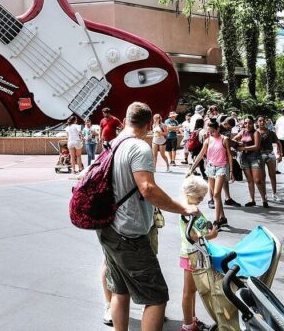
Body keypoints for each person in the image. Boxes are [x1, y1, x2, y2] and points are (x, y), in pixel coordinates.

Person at [96, 102, 199, 331]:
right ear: (148, 123)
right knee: (156, 297)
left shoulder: (113, 144)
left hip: (108, 227)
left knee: (120, 291)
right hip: (129, 233)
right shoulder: (138, 148)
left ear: (125, 119)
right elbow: (147, 188)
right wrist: (182, 207)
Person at [179, 176, 218, 331]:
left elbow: (201, 226)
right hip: (191, 254)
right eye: (199, 196)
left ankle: (192, 320)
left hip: (197, 253)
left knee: (193, 290)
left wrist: (209, 228)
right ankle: (188, 326)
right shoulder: (187, 210)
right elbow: (193, 236)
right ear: (189, 194)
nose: (202, 199)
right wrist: (210, 235)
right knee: (188, 291)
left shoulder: (193, 207)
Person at [188, 120, 233, 227]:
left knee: (216, 194)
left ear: (217, 129)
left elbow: (230, 155)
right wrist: (191, 169)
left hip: (221, 167)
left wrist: (231, 171)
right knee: (214, 195)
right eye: (209, 131)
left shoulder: (224, 139)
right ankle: (223, 218)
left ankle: (216, 221)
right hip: (210, 168)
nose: (210, 133)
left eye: (212, 131)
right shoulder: (208, 140)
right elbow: (200, 155)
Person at [234, 116, 268, 207]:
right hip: (244, 157)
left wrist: (242, 148)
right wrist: (235, 144)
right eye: (245, 123)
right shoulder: (242, 132)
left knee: (257, 180)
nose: (247, 125)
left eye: (249, 123)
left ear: (253, 123)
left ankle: (264, 199)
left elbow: (256, 146)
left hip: (255, 157)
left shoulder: (256, 132)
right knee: (249, 180)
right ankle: (252, 200)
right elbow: (234, 139)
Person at [256, 116, 282, 202]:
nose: (262, 122)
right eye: (260, 121)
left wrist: (280, 154)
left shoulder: (271, 132)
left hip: (270, 154)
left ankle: (274, 194)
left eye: (263, 121)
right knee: (262, 176)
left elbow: (278, 142)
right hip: (260, 155)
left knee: (272, 175)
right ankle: (265, 195)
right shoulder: (256, 133)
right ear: (257, 122)